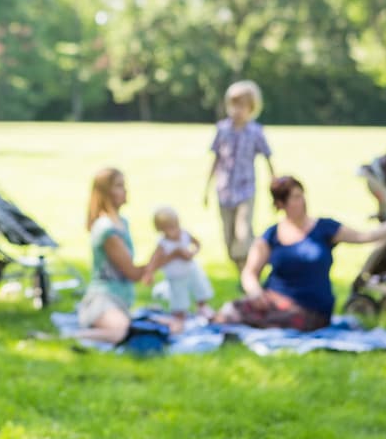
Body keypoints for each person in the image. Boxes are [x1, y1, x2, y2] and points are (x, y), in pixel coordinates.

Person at [212, 175, 386, 331]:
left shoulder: (324, 228)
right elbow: (250, 272)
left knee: (290, 322)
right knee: (232, 310)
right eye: (294, 198)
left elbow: (366, 236)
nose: (301, 202)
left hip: (310, 308)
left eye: (302, 196)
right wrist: (255, 292)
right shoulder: (271, 236)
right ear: (280, 204)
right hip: (274, 299)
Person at [75, 168, 180, 344]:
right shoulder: (106, 229)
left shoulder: (121, 222)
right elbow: (132, 273)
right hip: (102, 301)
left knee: (173, 325)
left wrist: (162, 256)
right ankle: (67, 337)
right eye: (119, 186)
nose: (125, 191)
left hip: (121, 303)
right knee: (121, 332)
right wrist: (166, 255)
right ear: (106, 192)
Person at [203, 80, 275, 280]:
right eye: (234, 105)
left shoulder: (255, 131)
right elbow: (215, 159)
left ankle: (255, 266)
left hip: (245, 190)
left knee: (243, 236)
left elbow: (268, 156)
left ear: (252, 108)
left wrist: (274, 182)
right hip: (224, 190)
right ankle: (246, 276)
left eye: (242, 106)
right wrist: (206, 189)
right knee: (229, 241)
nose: (237, 110)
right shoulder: (222, 129)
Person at [144, 206, 215, 320]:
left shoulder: (184, 234)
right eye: (169, 228)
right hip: (175, 274)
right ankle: (180, 315)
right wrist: (149, 273)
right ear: (161, 230)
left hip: (190, 269)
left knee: (200, 286)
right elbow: (155, 260)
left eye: (175, 226)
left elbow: (197, 244)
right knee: (178, 295)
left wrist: (192, 253)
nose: (174, 231)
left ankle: (202, 307)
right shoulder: (163, 244)